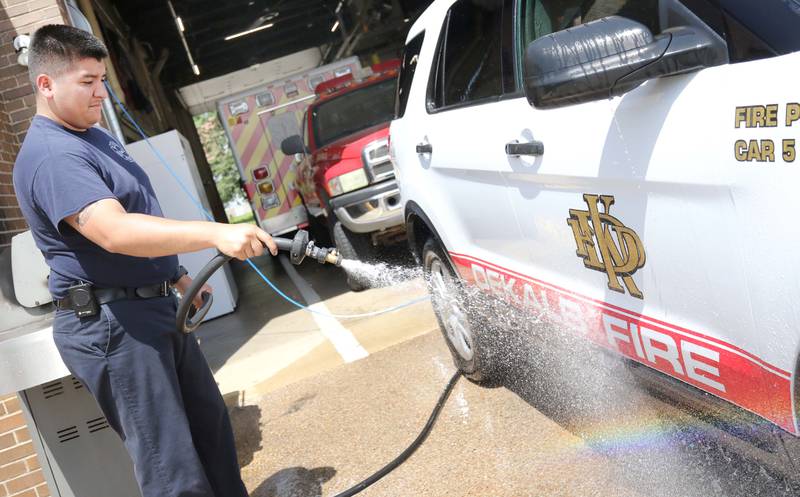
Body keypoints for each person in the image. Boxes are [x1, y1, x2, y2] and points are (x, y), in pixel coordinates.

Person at [12, 24, 276, 497]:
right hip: (113, 326)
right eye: (86, 82)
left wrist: (173, 273)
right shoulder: (53, 154)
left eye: (102, 79)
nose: (100, 93)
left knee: (212, 437)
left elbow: (136, 213)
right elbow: (113, 231)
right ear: (45, 85)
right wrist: (216, 233)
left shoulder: (92, 136)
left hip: (150, 310)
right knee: (172, 468)